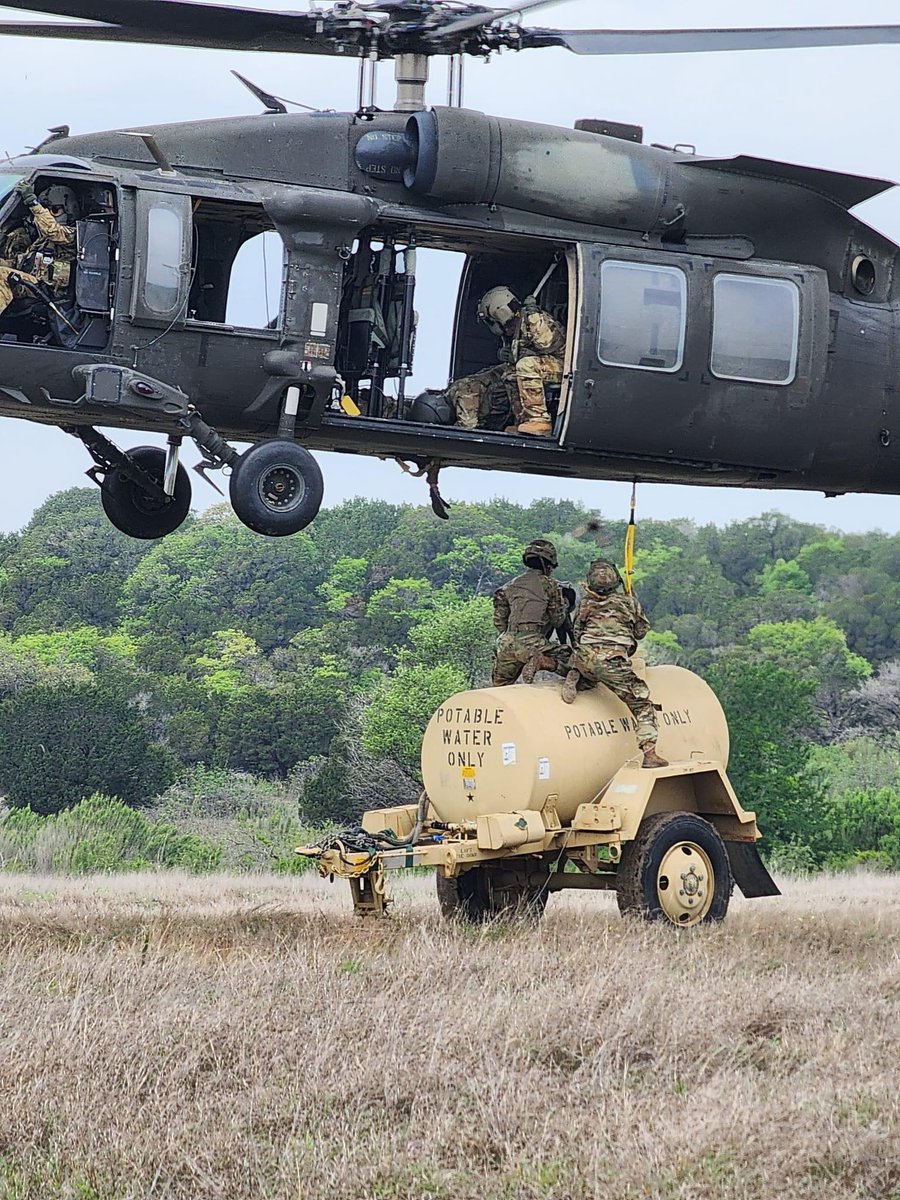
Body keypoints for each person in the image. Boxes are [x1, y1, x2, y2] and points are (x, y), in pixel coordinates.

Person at [562, 558, 669, 770]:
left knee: (583, 665)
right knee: (641, 704)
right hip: (612, 662)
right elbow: (640, 632)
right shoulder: (629, 603)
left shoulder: (585, 604)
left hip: (584, 656)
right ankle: (649, 754)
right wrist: (633, 601)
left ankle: (576, 673)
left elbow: (576, 632)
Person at [450, 286, 566, 437]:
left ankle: (539, 419)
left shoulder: (532, 319)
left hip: (563, 366)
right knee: (510, 372)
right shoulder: (513, 332)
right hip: (545, 366)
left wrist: (534, 318)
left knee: (526, 366)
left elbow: (547, 343)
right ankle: (523, 421)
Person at [492, 538, 572, 686]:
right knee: (576, 665)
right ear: (547, 565)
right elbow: (557, 620)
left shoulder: (507, 587)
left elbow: (499, 623)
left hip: (505, 644)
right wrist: (565, 605)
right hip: (532, 643)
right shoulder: (549, 584)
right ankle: (542, 662)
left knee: (499, 688)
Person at [0, 180, 78, 321]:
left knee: (2, 276)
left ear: (69, 209)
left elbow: (53, 231)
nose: (48, 214)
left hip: (45, 292)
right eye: (46, 209)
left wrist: (34, 204)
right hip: (32, 284)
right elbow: (21, 261)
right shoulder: (43, 240)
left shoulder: (72, 236)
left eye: (54, 210)